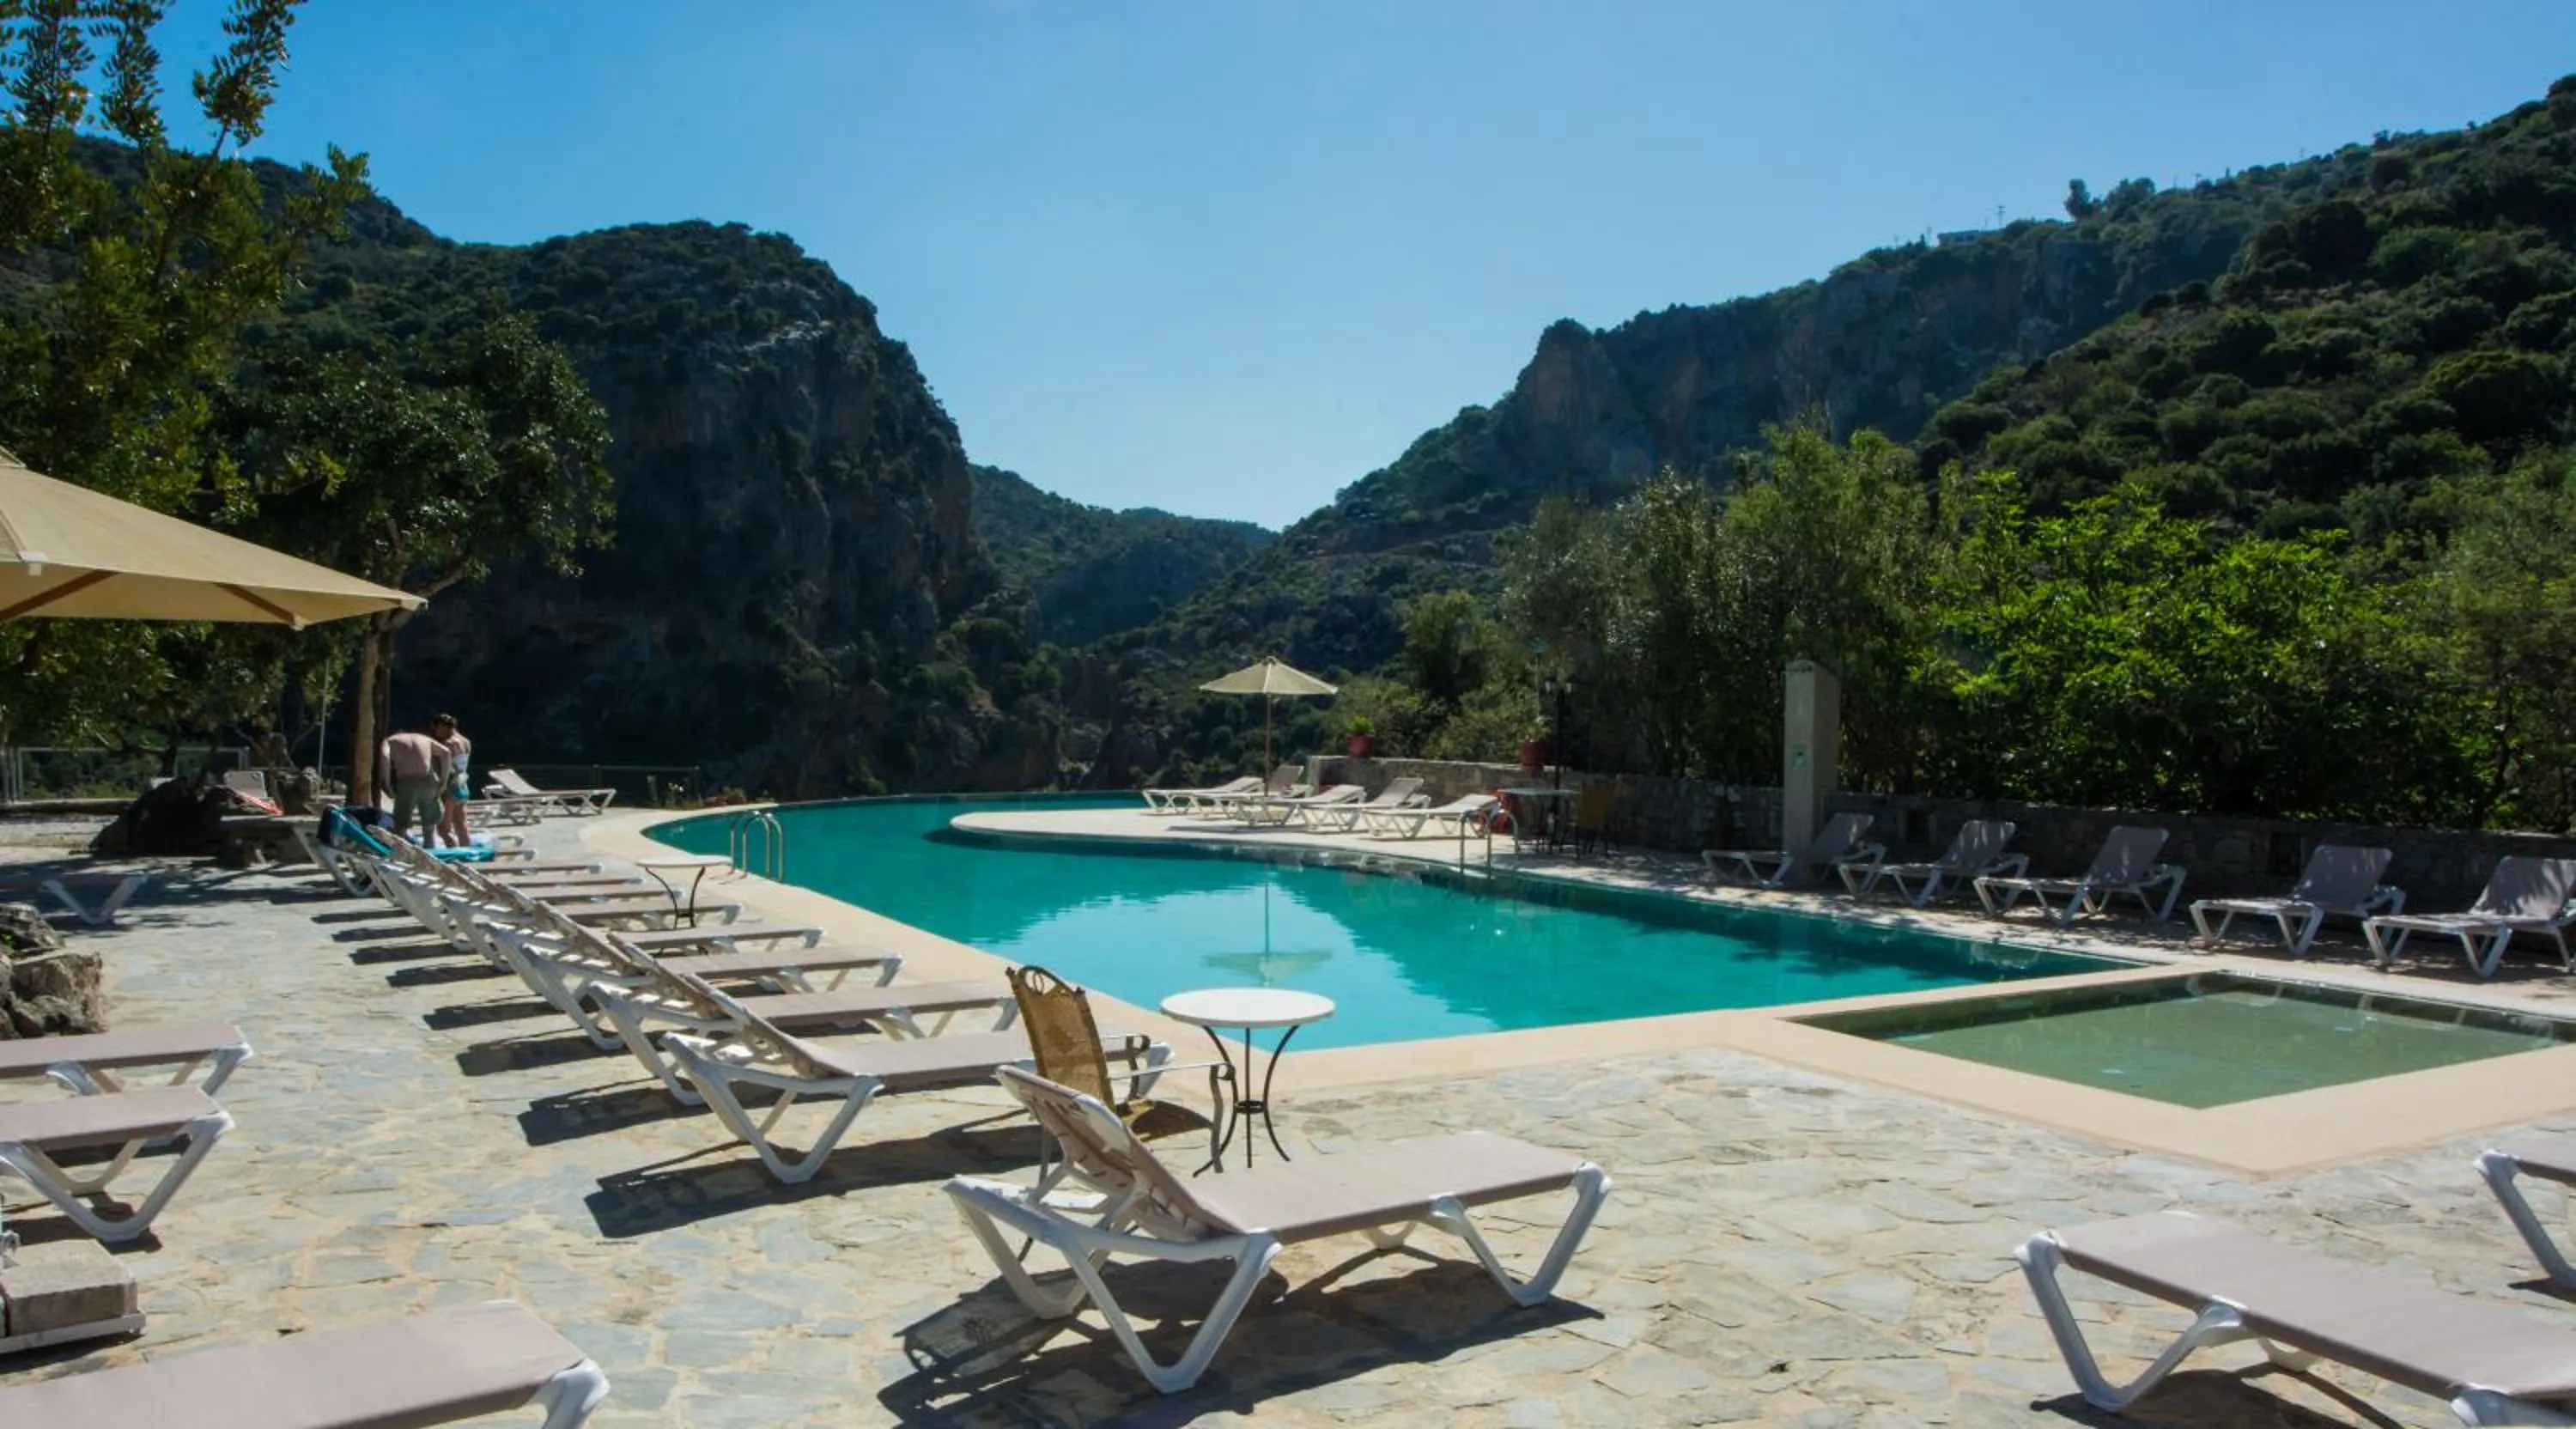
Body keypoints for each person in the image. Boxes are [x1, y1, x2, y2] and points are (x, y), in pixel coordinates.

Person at [378, 721, 453, 845]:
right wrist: (444, 780)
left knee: (401, 824)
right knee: (429, 825)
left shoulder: (389, 740)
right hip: (429, 780)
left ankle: (400, 854)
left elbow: (385, 758)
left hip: (407, 781)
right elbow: (446, 752)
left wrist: (387, 783)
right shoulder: (424, 738)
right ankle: (430, 851)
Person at [432, 713, 474, 848]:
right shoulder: (466, 741)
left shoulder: (450, 743)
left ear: (443, 727)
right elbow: (463, 766)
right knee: (461, 824)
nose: (437, 733)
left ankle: (454, 852)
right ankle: (466, 850)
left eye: (437, 729)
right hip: (463, 784)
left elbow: (454, 766)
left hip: (452, 785)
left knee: (444, 828)